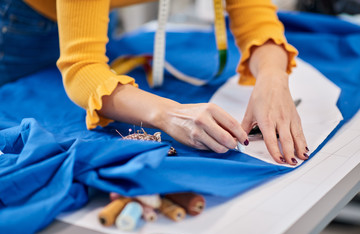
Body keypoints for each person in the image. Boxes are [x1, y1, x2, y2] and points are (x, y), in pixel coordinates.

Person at [0, 0, 309, 165]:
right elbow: (82, 65)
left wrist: (273, 76)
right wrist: (169, 114)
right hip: (23, 23)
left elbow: (255, 16)